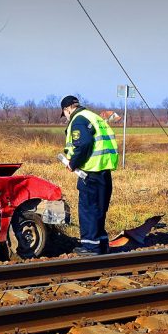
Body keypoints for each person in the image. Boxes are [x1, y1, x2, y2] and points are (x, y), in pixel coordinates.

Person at [61, 95, 118, 256]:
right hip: (104, 170)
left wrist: (73, 163)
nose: (65, 117)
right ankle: (101, 244)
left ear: (67, 109)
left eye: (64, 113)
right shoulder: (95, 117)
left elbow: (84, 143)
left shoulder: (78, 120)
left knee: (88, 209)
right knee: (100, 209)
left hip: (90, 172)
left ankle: (90, 247)